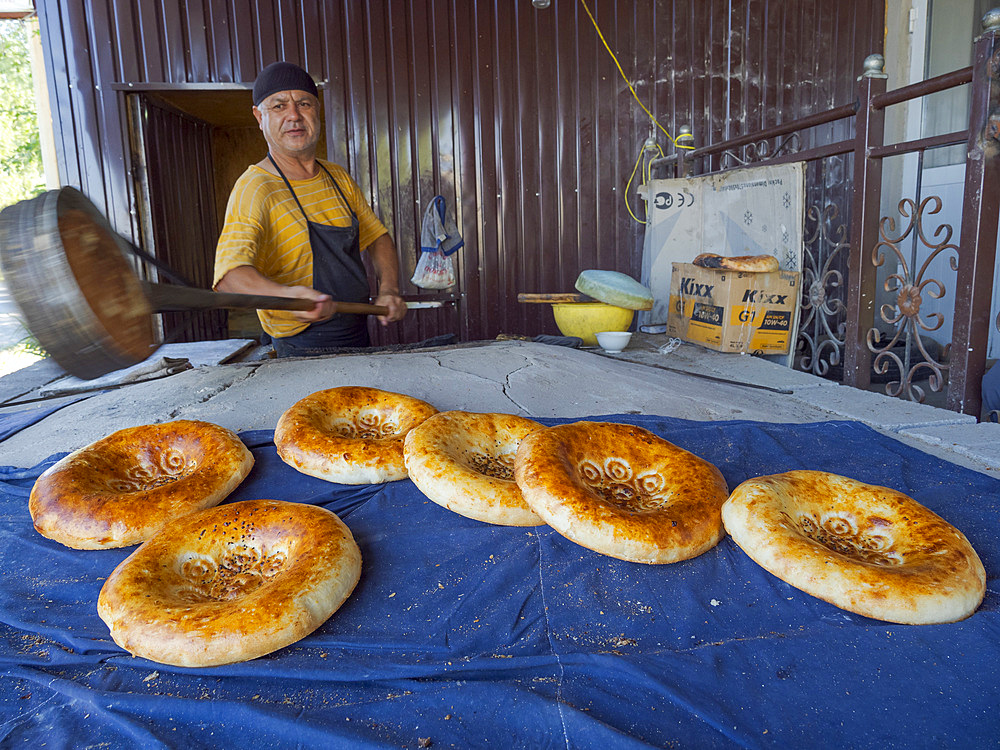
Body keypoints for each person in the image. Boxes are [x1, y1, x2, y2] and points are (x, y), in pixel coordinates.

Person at [213, 61, 406, 356]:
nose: (294, 116)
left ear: (316, 111)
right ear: (258, 117)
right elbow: (229, 277)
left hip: (356, 332)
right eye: (278, 106)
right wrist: (287, 295)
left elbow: (378, 238)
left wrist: (390, 289)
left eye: (303, 103)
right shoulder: (255, 188)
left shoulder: (337, 177)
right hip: (301, 347)